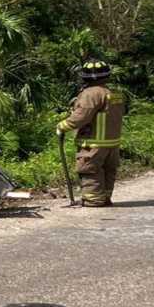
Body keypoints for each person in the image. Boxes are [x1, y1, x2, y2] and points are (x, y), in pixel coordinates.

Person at [56, 59, 126, 207]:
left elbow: (82, 116)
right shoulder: (115, 93)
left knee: (91, 172)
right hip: (112, 144)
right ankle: (105, 197)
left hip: (93, 144)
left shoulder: (91, 94)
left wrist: (62, 126)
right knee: (108, 172)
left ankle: (93, 200)